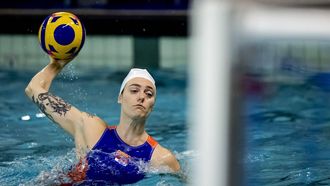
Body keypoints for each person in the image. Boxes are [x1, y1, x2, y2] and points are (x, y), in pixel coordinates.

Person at [25, 58, 180, 184]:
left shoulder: (161, 158)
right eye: (134, 90)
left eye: (149, 94)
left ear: (153, 104)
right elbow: (33, 89)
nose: (141, 97)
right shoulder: (91, 128)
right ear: (120, 97)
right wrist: (57, 63)